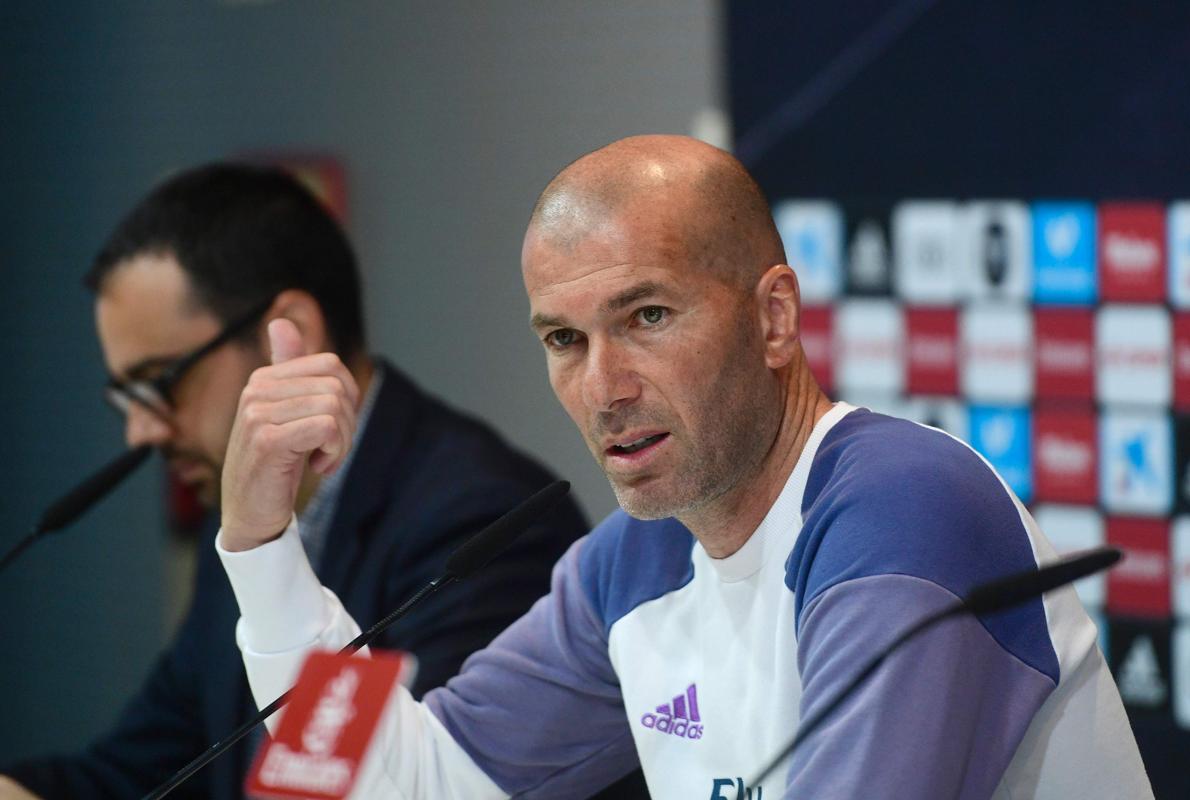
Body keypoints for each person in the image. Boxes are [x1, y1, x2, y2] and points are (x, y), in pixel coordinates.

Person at [210, 136, 1153, 798]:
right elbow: (391, 786)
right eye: (565, 339)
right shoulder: (637, 559)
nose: (604, 386)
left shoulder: (901, 508)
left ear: (774, 317)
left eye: (647, 317)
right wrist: (262, 546)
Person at [0, 164, 592, 799]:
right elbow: (136, 776)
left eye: (162, 382)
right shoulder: (238, 518)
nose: (141, 433)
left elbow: (401, 788)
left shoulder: (479, 521)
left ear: (292, 333)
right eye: (128, 398)